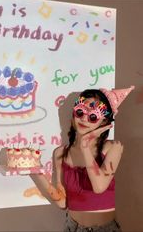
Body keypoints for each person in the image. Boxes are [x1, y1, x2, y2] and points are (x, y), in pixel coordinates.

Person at [30, 86, 135, 232]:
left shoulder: (112, 148)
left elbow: (99, 187)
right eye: (80, 112)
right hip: (72, 227)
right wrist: (33, 169)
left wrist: (85, 147)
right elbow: (62, 202)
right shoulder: (61, 153)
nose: (84, 119)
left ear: (104, 123)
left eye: (93, 117)